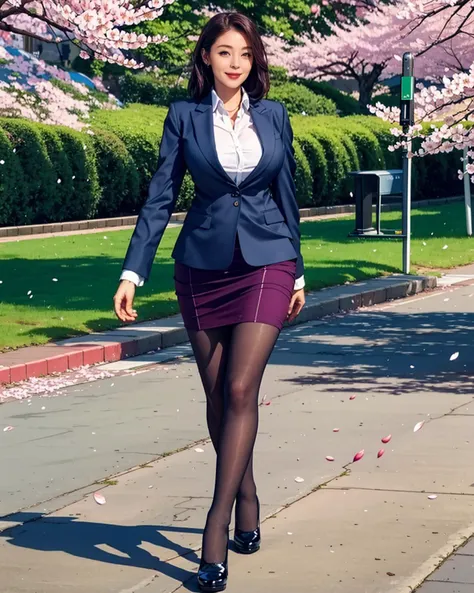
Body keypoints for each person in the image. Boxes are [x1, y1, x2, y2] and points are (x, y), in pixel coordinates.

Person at [113, 11, 305, 592]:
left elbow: (286, 192)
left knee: (242, 388)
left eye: (244, 54)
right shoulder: (184, 118)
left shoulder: (274, 115)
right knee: (219, 394)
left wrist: (297, 269)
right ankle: (246, 495)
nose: (235, 64)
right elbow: (160, 198)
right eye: (224, 53)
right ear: (206, 59)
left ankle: (215, 529)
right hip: (201, 268)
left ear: (254, 61)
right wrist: (133, 271)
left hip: (267, 260)